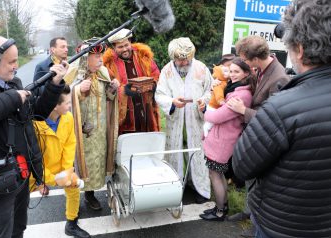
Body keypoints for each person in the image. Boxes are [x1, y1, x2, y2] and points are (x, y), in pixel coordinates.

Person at [232, 1, 331, 238]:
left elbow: (241, 166)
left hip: (285, 232)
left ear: (298, 49)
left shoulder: (283, 106)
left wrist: (245, 111)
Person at [0, 36, 67, 238]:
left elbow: (36, 113)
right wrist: (13, 98)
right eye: (11, 62)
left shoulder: (12, 82)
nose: (16, 66)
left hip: (19, 171)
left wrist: (54, 85)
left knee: (18, 228)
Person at [226, 35, 289, 237]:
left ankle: (258, 224)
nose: (243, 63)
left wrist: (243, 110)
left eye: (244, 59)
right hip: (254, 132)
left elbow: (276, 117)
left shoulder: (279, 78)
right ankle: (248, 212)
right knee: (251, 178)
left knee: (261, 183)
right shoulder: (262, 69)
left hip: (265, 136)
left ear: (254, 58)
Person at [30, 85, 91, 238]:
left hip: (60, 166)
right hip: (37, 172)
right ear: (55, 106)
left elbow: (70, 144)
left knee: (73, 189)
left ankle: (71, 223)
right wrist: (52, 179)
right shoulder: (34, 125)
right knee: (18, 200)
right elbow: (32, 160)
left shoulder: (68, 117)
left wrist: (67, 173)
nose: (70, 105)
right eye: (68, 103)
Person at [155, 37, 212, 203]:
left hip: (195, 121)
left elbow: (210, 90)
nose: (182, 63)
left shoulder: (201, 68)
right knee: (175, 154)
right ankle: (176, 186)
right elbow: (160, 94)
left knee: (198, 154)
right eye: (178, 60)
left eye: (185, 59)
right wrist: (172, 102)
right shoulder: (166, 71)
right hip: (176, 122)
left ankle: (200, 189)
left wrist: (204, 101)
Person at [199, 58, 254, 221]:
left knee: (214, 175)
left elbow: (217, 116)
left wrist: (204, 111)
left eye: (237, 71)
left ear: (246, 73)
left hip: (222, 141)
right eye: (231, 71)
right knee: (218, 174)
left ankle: (220, 211)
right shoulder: (235, 88)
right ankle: (221, 207)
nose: (232, 75)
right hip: (222, 139)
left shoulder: (241, 94)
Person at [68, 38, 119, 211]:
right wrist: (77, 90)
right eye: (95, 56)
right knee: (82, 161)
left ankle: (91, 193)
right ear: (85, 58)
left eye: (100, 55)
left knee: (97, 160)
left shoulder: (103, 72)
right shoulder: (74, 74)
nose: (100, 59)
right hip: (82, 130)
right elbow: (63, 101)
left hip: (100, 128)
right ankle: (81, 195)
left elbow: (109, 98)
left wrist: (112, 89)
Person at [103, 28, 160, 135]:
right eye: (120, 47)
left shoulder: (143, 56)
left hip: (147, 112)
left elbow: (155, 74)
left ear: (130, 42)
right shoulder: (108, 64)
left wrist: (153, 84)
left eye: (126, 45)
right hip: (125, 118)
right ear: (113, 47)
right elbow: (106, 90)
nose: (125, 49)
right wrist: (124, 90)